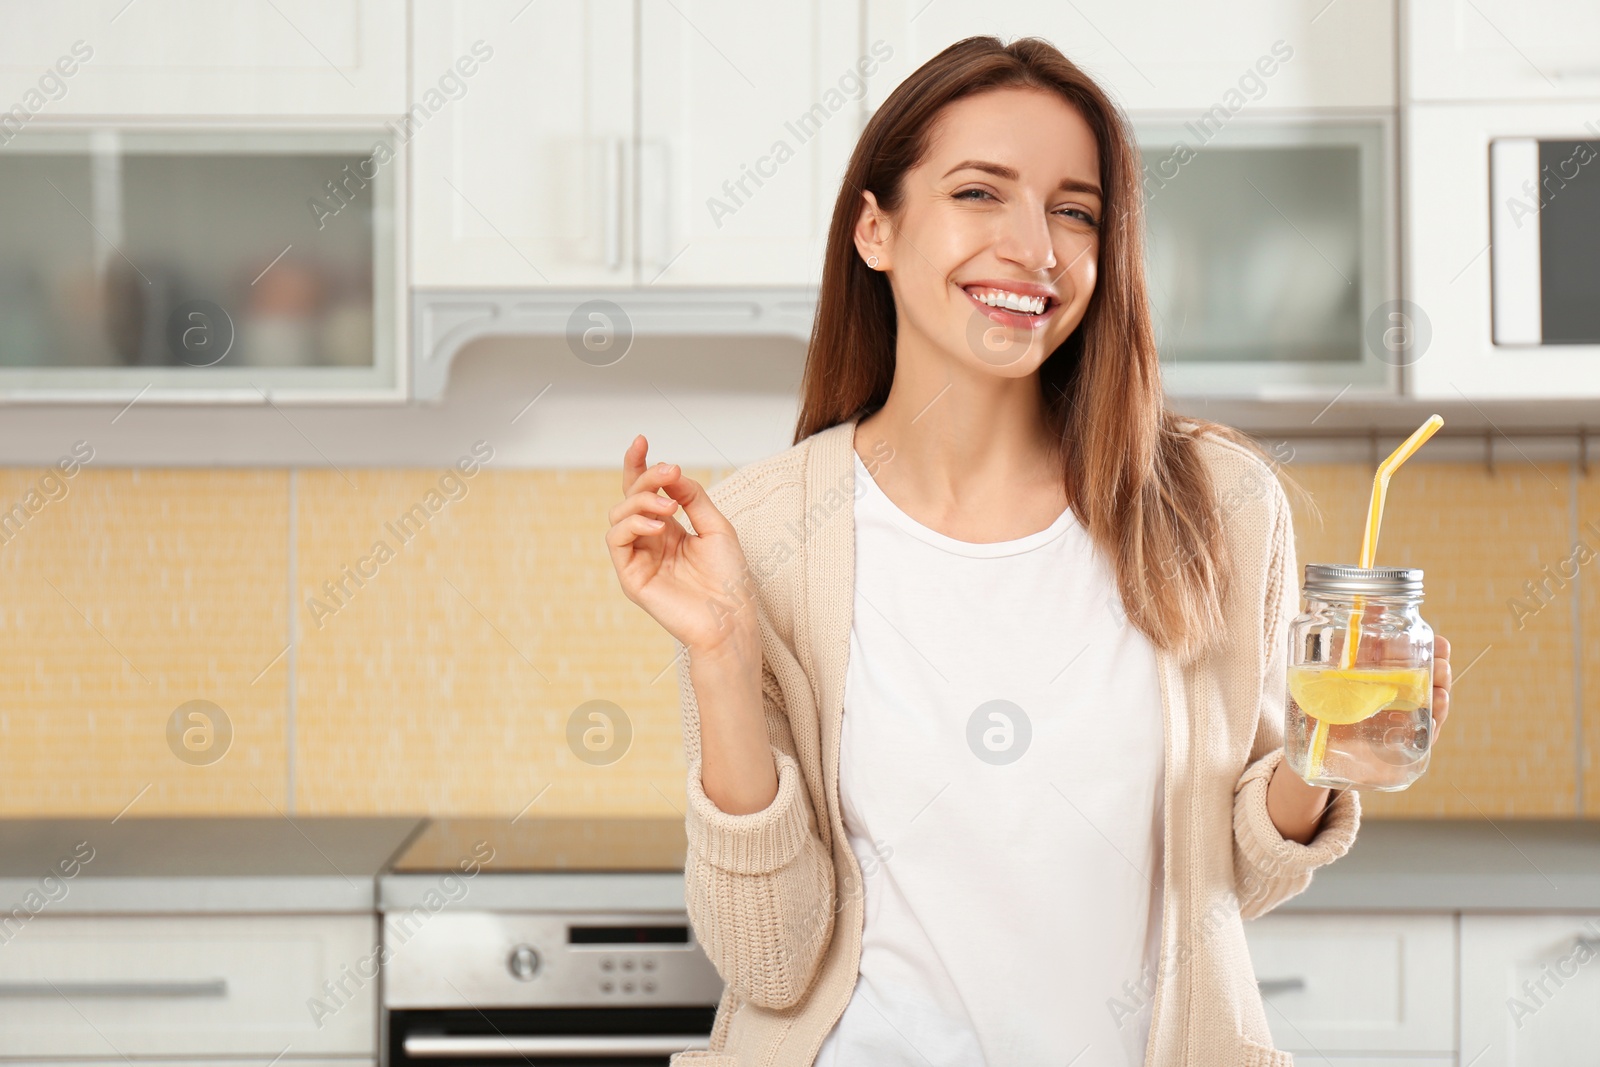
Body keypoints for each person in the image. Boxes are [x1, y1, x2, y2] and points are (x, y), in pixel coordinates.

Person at [606, 35, 1454, 1067]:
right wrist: (725, 647)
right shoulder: (767, 531)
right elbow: (772, 961)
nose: (1038, 248)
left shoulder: (1215, 505)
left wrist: (1325, 757)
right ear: (875, 229)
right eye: (979, 193)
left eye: (1074, 210)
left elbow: (1237, 872)